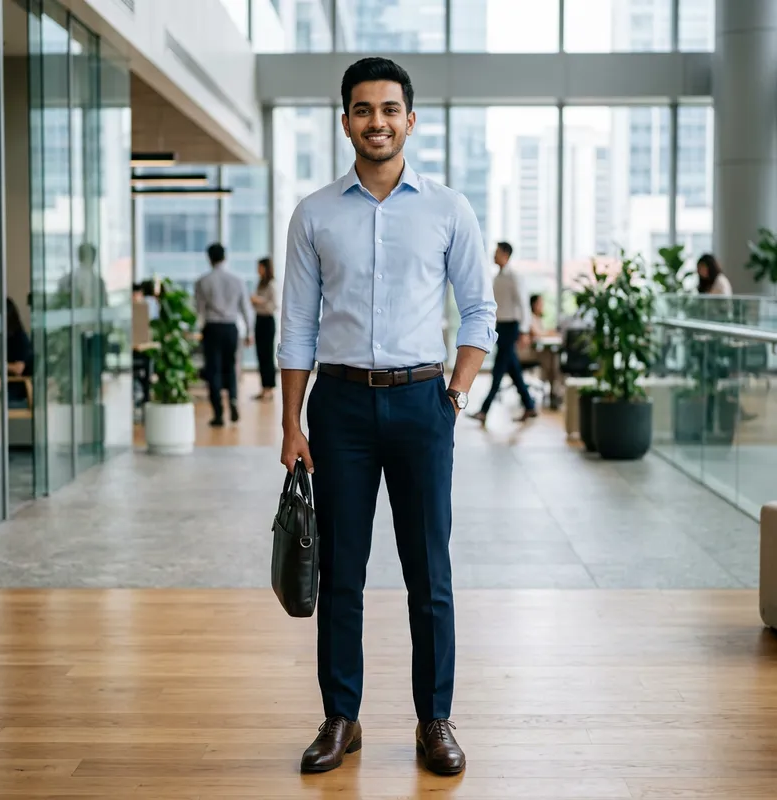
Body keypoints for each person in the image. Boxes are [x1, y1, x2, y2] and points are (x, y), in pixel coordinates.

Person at [278, 57, 496, 776]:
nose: (378, 121)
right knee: (341, 571)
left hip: (421, 402)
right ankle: (341, 717)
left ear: (410, 119)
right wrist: (291, 424)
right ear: (345, 121)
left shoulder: (448, 209)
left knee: (428, 572)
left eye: (389, 109)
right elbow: (297, 325)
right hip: (338, 406)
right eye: (364, 109)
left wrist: (454, 395)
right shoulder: (314, 213)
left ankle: (435, 719)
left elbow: (479, 310)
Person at [469, 241, 537, 425]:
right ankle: (530, 406)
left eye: (497, 252)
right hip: (501, 326)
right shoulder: (497, 277)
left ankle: (484, 410)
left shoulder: (514, 277)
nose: (494, 255)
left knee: (498, 369)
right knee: (513, 370)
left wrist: (524, 331)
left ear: (505, 254)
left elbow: (523, 304)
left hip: (511, 326)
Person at [194, 243, 252, 427]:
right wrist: (249, 331)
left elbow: (199, 310)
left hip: (212, 328)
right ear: (225, 257)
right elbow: (246, 308)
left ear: (209, 258)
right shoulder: (237, 280)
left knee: (213, 370)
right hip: (230, 328)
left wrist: (197, 330)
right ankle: (233, 398)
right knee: (231, 366)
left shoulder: (203, 281)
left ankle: (218, 413)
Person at [250, 256, 277, 401]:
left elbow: (273, 306)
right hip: (259, 320)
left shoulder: (271, 285)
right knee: (260, 355)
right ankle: (263, 387)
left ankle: (269, 389)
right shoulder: (260, 284)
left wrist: (259, 301)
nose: (258, 270)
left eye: (260, 267)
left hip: (267, 321)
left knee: (267, 355)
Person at [6, 297, 33, 408]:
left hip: (16, 389)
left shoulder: (19, 338)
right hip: (4, 384)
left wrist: (0, 365)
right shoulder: (5, 339)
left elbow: (18, 368)